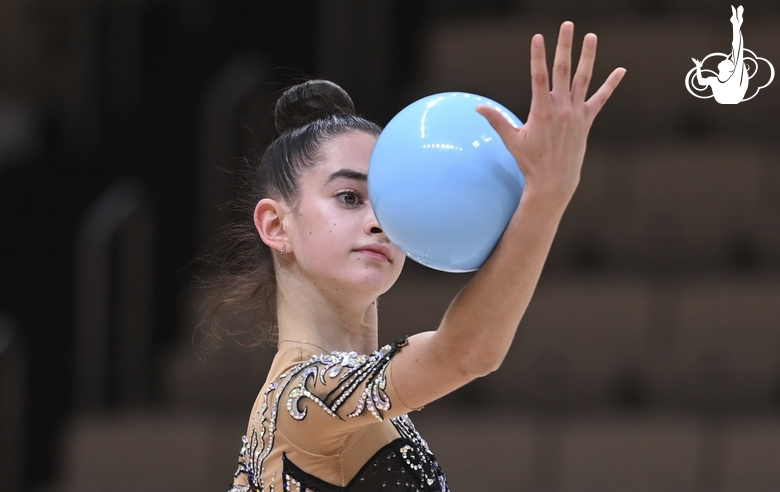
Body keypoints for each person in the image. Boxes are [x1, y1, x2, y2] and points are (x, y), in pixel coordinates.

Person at [200, 20, 625, 492]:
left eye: (387, 200)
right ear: (276, 226)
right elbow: (466, 351)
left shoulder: (366, 403)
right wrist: (547, 192)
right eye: (348, 197)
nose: (379, 221)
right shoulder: (298, 395)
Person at [692, 5, 748, 104]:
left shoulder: (731, 78)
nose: (724, 59)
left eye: (727, 61)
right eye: (728, 60)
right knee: (737, 51)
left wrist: (698, 67)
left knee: (737, 51)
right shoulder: (715, 80)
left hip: (732, 96)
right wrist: (698, 67)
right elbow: (701, 82)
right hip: (729, 97)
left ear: (729, 69)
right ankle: (736, 23)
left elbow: (737, 49)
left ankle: (736, 23)